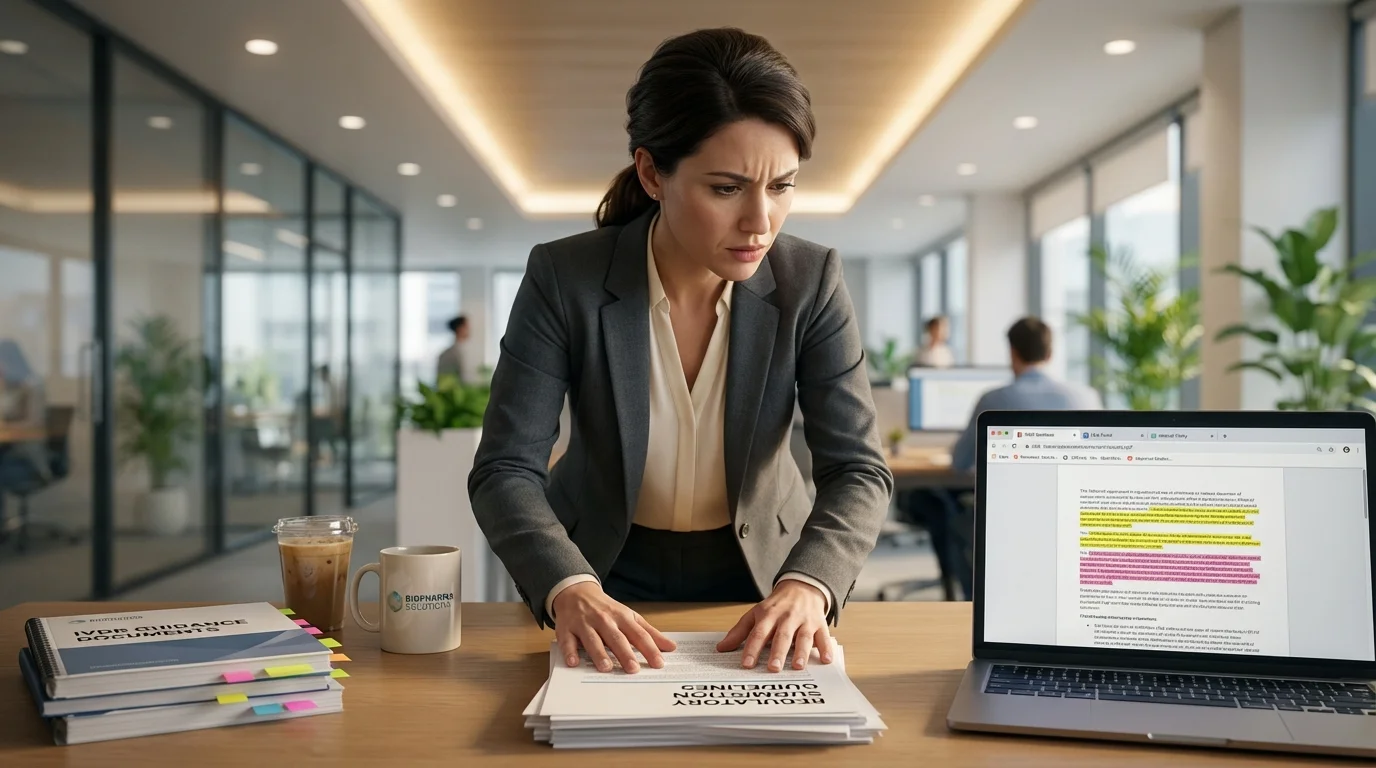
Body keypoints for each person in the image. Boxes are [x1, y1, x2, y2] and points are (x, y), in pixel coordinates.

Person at [468, 28, 892, 678]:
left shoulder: (813, 281)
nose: (760, 221)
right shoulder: (565, 277)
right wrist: (567, 587)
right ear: (652, 174)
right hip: (602, 574)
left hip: (767, 577)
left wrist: (810, 584)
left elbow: (858, 470)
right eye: (726, 189)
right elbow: (505, 468)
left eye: (782, 186)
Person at [950, 316, 1102, 473]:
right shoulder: (1087, 397)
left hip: (1010, 495)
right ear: (1050, 354)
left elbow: (960, 462)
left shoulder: (992, 401)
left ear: (1012, 353)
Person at [436, 316, 470, 383]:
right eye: (467, 327)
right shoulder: (450, 353)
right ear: (460, 329)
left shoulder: (461, 349)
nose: (469, 330)